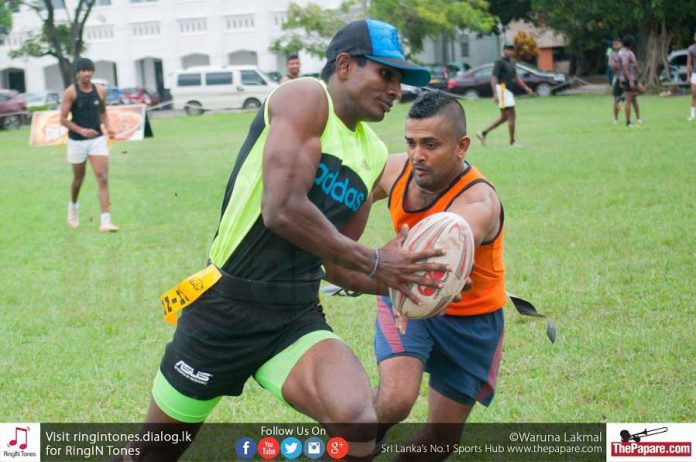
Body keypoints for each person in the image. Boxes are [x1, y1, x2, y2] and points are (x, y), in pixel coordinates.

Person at [119, 19, 443, 462]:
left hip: (294, 316)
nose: (396, 90)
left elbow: (333, 259)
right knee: (151, 455)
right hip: (225, 309)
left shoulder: (369, 153)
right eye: (385, 74)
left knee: (357, 420)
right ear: (345, 65)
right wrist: (375, 261)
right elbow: (282, 209)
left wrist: (405, 279)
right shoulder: (305, 97)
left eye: (400, 80)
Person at [326, 92, 506, 461]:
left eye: (430, 145)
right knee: (394, 401)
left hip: (473, 322)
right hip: (405, 296)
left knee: (441, 440)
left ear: (461, 146)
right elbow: (342, 201)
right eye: (410, 143)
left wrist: (434, 264)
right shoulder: (394, 171)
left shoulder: (478, 202)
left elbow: (454, 238)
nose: (417, 155)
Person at [59, 57, 118, 232]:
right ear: (77, 73)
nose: (87, 73)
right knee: (79, 178)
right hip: (77, 141)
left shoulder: (100, 91)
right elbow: (62, 119)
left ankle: (105, 221)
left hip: (97, 139)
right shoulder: (71, 92)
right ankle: (73, 206)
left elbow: (103, 112)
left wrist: (108, 127)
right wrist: (82, 131)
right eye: (83, 70)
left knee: (102, 176)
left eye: (89, 70)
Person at [476, 43, 533, 148]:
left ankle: (483, 133)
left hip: (509, 91)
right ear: (504, 50)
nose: (510, 51)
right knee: (512, 115)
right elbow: (493, 78)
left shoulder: (512, 62)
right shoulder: (499, 62)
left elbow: (516, 77)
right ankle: (512, 142)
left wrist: (525, 87)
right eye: (508, 49)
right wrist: (495, 94)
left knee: (504, 117)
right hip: (502, 90)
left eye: (512, 49)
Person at [618, 35, 644, 127]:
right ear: (631, 44)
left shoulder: (624, 52)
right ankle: (628, 122)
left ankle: (638, 118)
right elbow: (625, 67)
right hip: (628, 79)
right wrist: (630, 80)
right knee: (629, 101)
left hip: (631, 77)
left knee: (641, 91)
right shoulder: (624, 53)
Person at [609, 38, 625, 124]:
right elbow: (614, 67)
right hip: (618, 78)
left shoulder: (626, 53)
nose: (615, 46)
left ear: (621, 44)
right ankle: (615, 118)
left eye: (617, 44)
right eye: (614, 44)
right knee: (616, 99)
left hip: (627, 78)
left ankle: (637, 118)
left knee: (633, 96)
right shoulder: (612, 55)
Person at [687, 31, 696, 121]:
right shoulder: (691, 49)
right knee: (694, 94)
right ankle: (693, 115)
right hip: (695, 73)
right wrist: (688, 76)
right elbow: (689, 62)